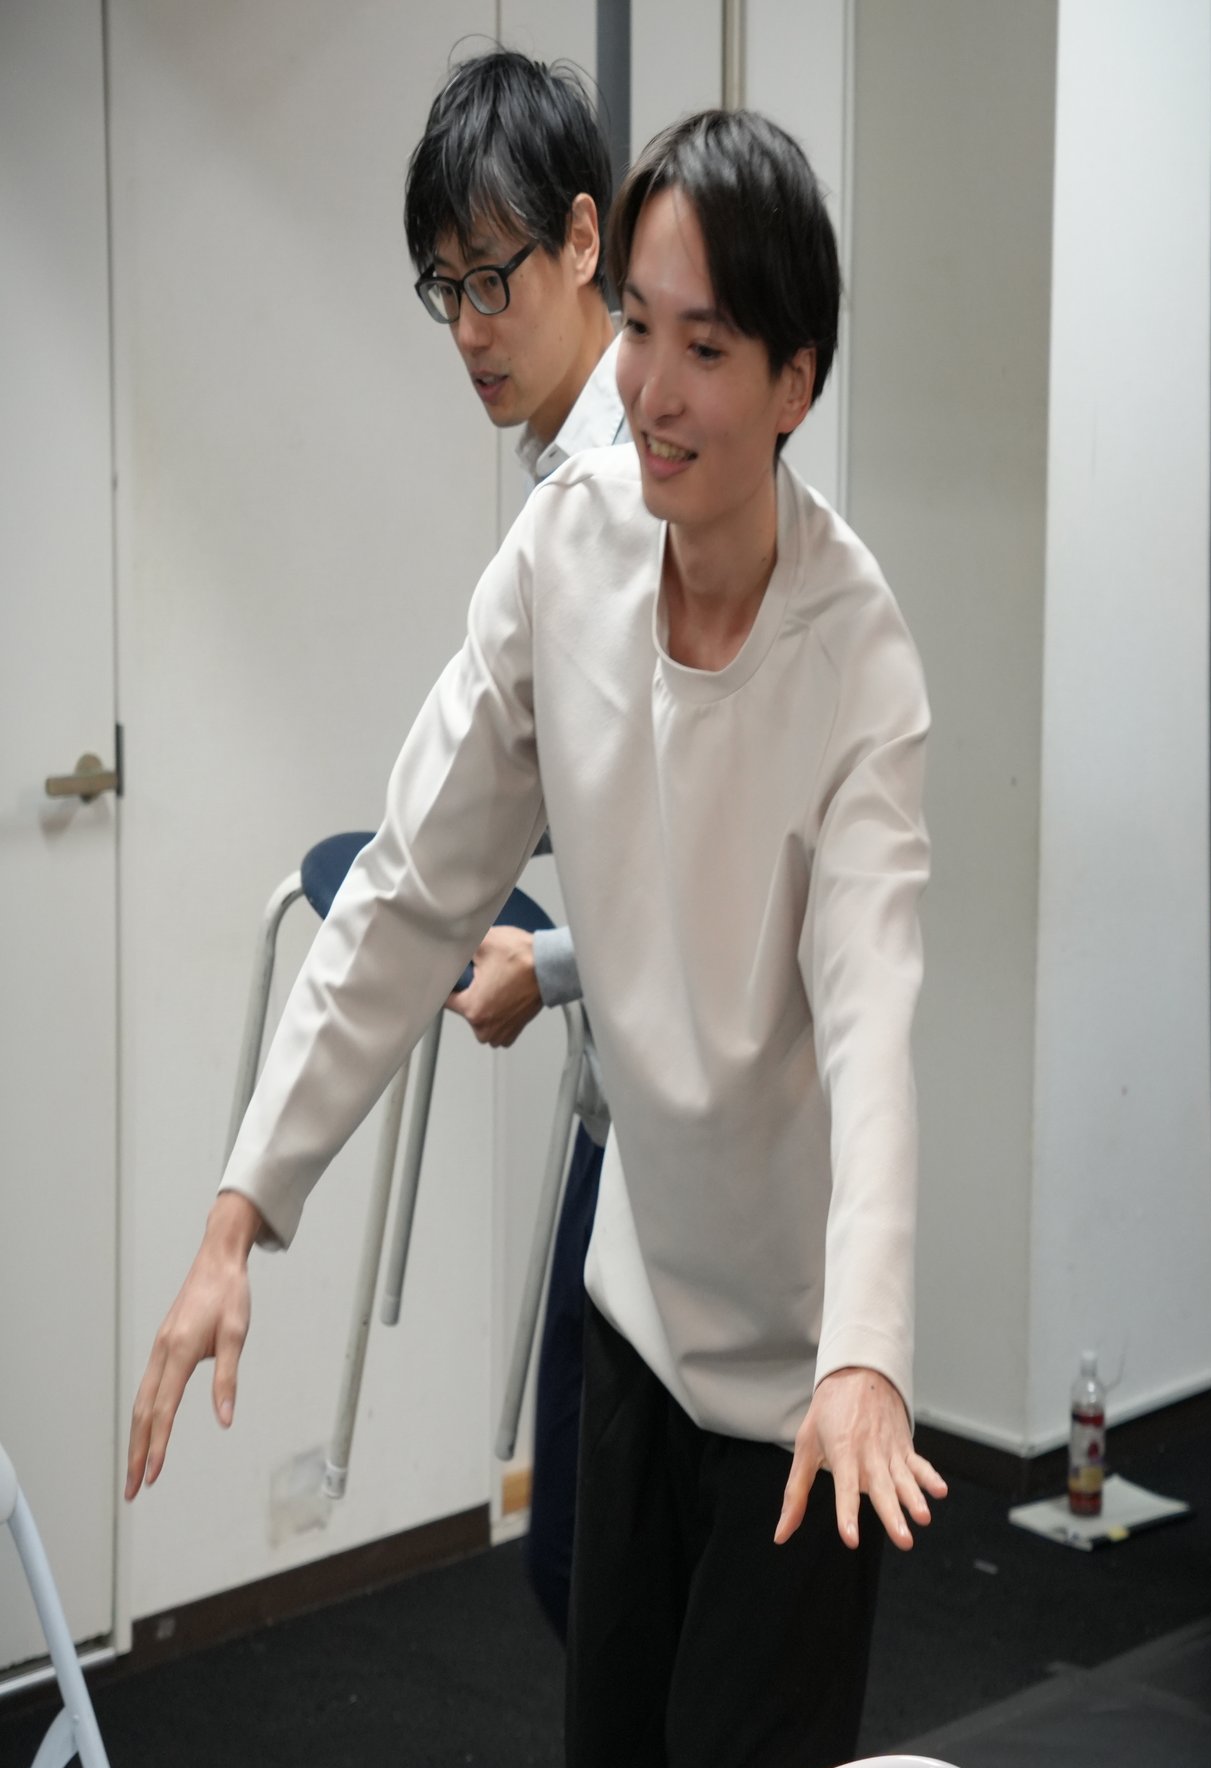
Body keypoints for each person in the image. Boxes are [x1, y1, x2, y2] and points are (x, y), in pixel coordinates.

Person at [124, 109, 946, 1768]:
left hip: (808, 1385)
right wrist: (245, 1208)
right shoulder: (564, 556)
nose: (649, 388)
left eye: (706, 347)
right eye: (638, 327)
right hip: (645, 1306)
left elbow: (874, 1021)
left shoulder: (861, 660)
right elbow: (413, 887)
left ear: (798, 379)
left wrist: (868, 1354)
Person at [402, 45, 626, 1644]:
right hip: (624, 1113)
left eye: (496, 278)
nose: (472, 327)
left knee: (609, 1584)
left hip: (696, 1159)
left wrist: (542, 966)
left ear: (584, 239)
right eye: (446, 289)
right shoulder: (563, 492)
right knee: (588, 1578)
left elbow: (707, 876)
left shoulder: (620, 490)